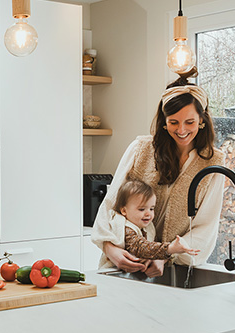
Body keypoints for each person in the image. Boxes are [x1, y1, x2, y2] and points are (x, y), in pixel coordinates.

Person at [91, 77, 226, 276]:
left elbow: (205, 225)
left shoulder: (213, 163)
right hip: (122, 262)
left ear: (202, 120)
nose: (181, 130)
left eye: (190, 122)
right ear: (164, 122)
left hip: (172, 270)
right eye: (173, 122)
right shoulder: (141, 149)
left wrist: (165, 255)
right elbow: (110, 203)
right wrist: (110, 248)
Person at [97, 178, 198, 268]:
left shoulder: (147, 227)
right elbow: (140, 247)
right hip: (111, 275)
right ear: (124, 211)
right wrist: (170, 249)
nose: (148, 214)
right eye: (141, 209)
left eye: (151, 208)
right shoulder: (125, 228)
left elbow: (150, 244)